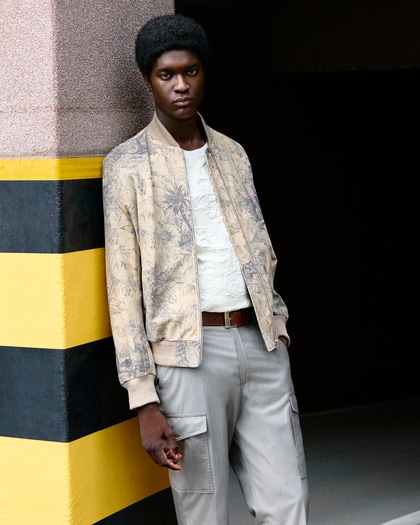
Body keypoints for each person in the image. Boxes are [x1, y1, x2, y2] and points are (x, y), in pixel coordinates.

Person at [103, 13, 308, 525]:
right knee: (204, 514)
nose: (180, 86)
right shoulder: (126, 166)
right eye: (166, 75)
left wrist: (276, 323)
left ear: (203, 73)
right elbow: (123, 288)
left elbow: (261, 244)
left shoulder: (233, 154)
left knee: (288, 504)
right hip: (187, 361)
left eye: (190, 72)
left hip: (259, 346)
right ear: (149, 81)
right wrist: (144, 400)